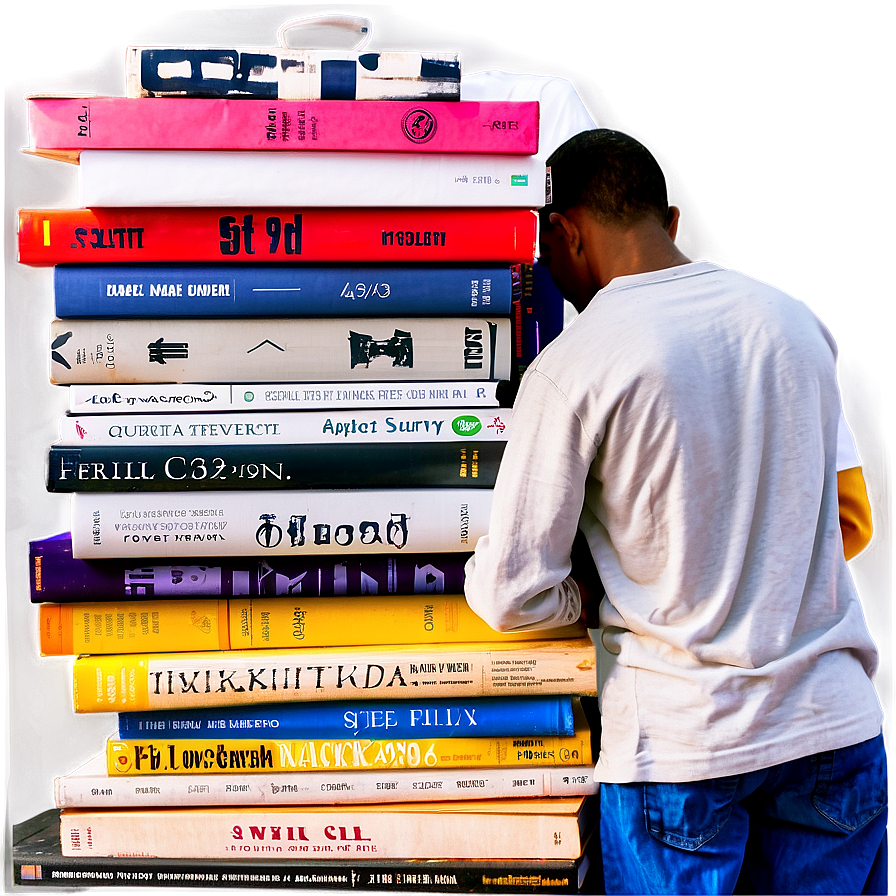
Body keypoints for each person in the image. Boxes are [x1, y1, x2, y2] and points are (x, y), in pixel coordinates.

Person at [463, 128, 887, 894]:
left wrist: (587, 597)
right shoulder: (793, 323)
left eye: (545, 248)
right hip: (836, 728)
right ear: (673, 220)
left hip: (685, 745)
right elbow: (834, 518)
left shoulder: (572, 364)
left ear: (566, 231)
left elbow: (510, 592)